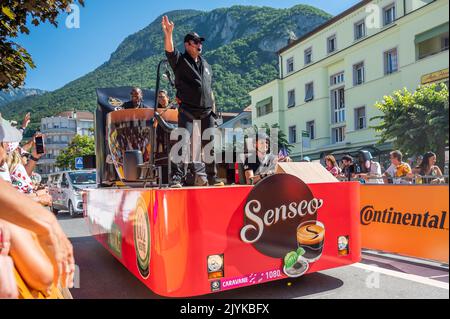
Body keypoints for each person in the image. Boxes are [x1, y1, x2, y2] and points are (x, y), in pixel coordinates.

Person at [162, 15, 223, 187]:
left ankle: (212, 177)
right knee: (182, 141)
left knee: (209, 143)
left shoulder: (206, 65)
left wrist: (214, 110)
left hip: (206, 111)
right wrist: (168, 33)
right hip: (188, 110)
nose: (199, 45)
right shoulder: (180, 61)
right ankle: (177, 178)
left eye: (200, 42)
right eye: (195, 42)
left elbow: (209, 89)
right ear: (187, 45)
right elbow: (170, 51)